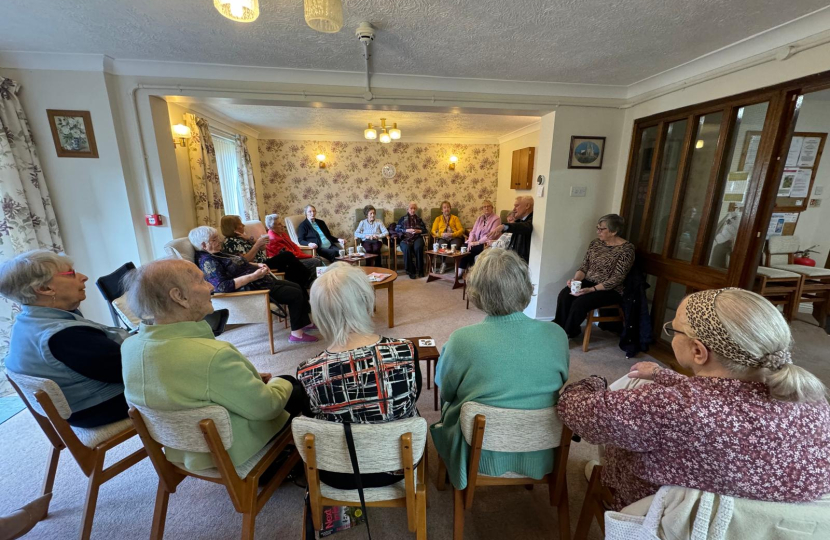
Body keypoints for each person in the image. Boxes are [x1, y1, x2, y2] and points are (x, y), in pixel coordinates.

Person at [557, 288, 830, 511]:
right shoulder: (811, 399)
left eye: (673, 330)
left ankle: (607, 485)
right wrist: (664, 375)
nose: (670, 333)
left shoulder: (663, 406)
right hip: (760, 526)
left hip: (664, 516)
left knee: (621, 429)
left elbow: (573, 409)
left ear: (698, 351)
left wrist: (592, 382)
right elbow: (719, 396)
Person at [121, 259, 308, 473]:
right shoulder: (213, 355)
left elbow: (184, 386)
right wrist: (277, 382)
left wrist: (247, 378)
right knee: (292, 385)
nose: (211, 286)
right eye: (202, 280)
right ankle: (277, 463)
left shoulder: (129, 347)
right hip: (228, 453)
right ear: (179, 296)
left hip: (181, 449)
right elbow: (267, 408)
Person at [430, 248, 569, 490]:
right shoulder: (557, 335)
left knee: (447, 409)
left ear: (477, 291)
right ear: (524, 286)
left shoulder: (461, 340)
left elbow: (446, 392)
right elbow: (560, 381)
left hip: (478, 453)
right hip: (542, 447)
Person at [297, 263, 421, 489]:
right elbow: (412, 398)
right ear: (366, 302)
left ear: (318, 313)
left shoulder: (307, 371)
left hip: (337, 473)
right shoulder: (405, 351)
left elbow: (314, 417)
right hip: (397, 465)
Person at [0, 250, 129, 428]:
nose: (83, 277)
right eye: (71, 274)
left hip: (76, 405)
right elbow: (130, 370)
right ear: (44, 289)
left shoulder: (26, 322)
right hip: (98, 407)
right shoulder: (64, 336)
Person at [189, 226, 317, 343]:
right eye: (214, 239)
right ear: (204, 245)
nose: (219, 241)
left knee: (296, 286)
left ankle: (304, 323)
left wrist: (257, 265)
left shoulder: (216, 253)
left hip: (260, 281)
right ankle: (297, 334)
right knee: (294, 294)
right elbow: (223, 286)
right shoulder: (208, 262)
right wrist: (253, 276)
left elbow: (239, 262)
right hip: (253, 288)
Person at [553, 214, 635, 339]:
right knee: (565, 294)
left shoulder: (626, 249)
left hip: (609, 289)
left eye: (602, 229)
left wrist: (591, 290)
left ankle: (567, 333)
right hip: (589, 281)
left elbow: (617, 278)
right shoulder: (596, 244)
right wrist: (576, 280)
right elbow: (584, 266)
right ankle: (559, 328)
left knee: (580, 302)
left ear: (614, 231)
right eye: (598, 228)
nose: (598, 232)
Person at [221, 214, 312, 289]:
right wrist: (256, 245)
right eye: (240, 224)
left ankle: (303, 287)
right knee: (287, 255)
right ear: (233, 228)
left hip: (264, 261)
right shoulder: (231, 243)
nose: (243, 226)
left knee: (292, 270)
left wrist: (250, 239)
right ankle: (308, 278)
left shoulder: (241, 237)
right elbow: (245, 260)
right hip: (257, 266)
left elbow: (263, 248)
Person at [457, 200, 502, 282]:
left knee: (469, 249)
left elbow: (491, 235)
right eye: (484, 207)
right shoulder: (480, 218)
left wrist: (477, 242)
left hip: (486, 244)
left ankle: (466, 272)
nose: (486, 208)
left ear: (492, 208)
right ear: (482, 209)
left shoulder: (496, 219)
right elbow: (473, 231)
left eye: (488, 206)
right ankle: (463, 271)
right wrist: (470, 241)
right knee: (465, 247)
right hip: (475, 242)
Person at [489, 196, 533, 262]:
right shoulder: (521, 220)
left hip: (522, 263)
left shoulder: (533, 220)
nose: (513, 209)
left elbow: (525, 227)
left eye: (517, 206)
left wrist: (504, 226)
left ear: (527, 206)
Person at [395, 202, 427, 279]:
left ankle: (420, 270)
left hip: (417, 238)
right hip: (405, 238)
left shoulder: (419, 219)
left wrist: (418, 231)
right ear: (407, 209)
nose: (413, 210)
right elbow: (397, 229)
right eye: (411, 208)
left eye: (414, 208)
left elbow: (425, 230)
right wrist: (406, 230)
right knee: (406, 248)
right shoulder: (402, 219)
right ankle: (410, 270)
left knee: (418, 247)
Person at [431, 200, 464, 274]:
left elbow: (461, 230)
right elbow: (433, 230)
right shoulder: (438, 219)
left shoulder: (455, 218)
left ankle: (457, 264)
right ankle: (443, 263)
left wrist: (453, 234)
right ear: (442, 210)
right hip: (443, 238)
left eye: (448, 207)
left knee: (456, 245)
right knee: (441, 246)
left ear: (450, 209)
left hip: (454, 237)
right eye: (444, 207)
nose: (446, 209)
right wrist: (440, 234)